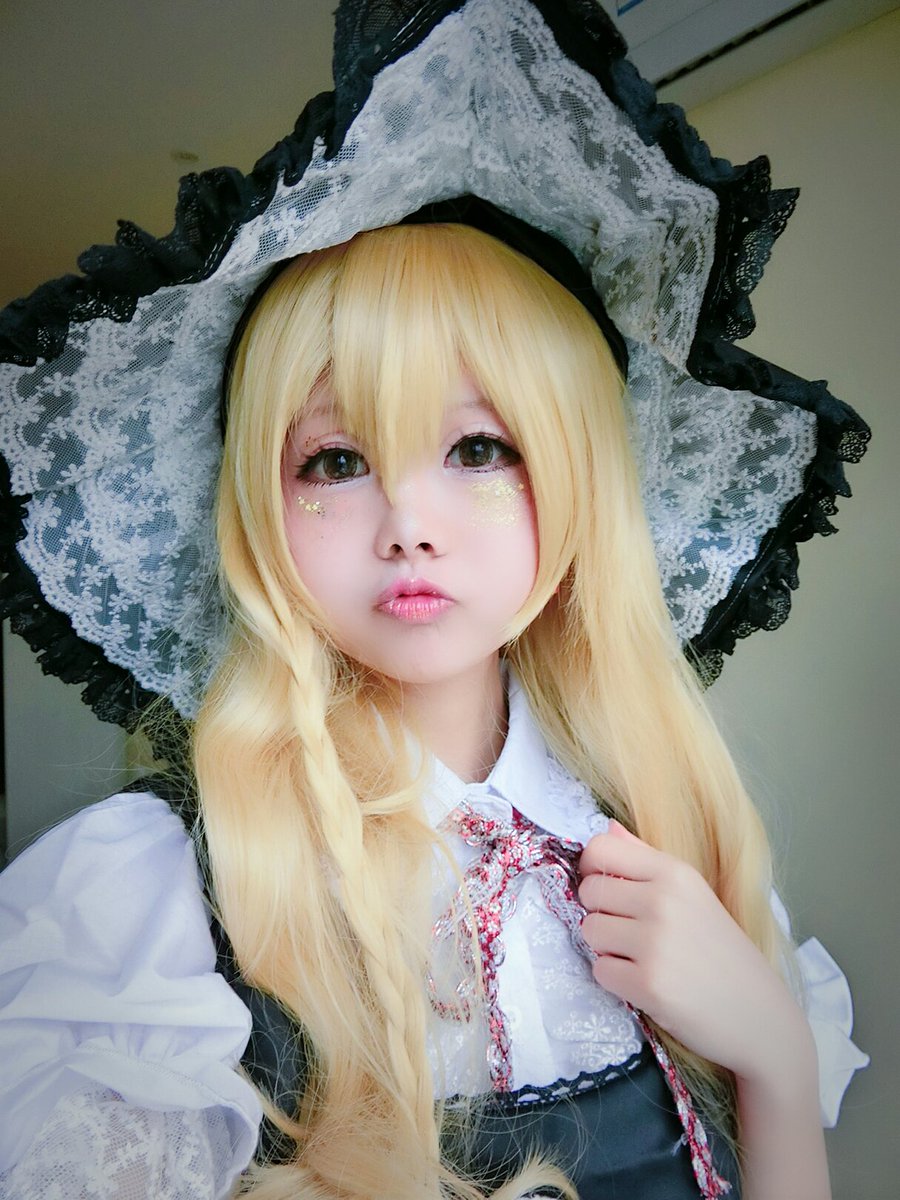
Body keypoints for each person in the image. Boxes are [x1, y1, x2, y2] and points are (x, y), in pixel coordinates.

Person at [0, 2, 869, 1198]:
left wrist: (772, 1054)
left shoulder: (671, 828)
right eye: (336, 461)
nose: (409, 524)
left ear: (576, 480)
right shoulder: (156, 903)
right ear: (259, 506)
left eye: (479, 449)